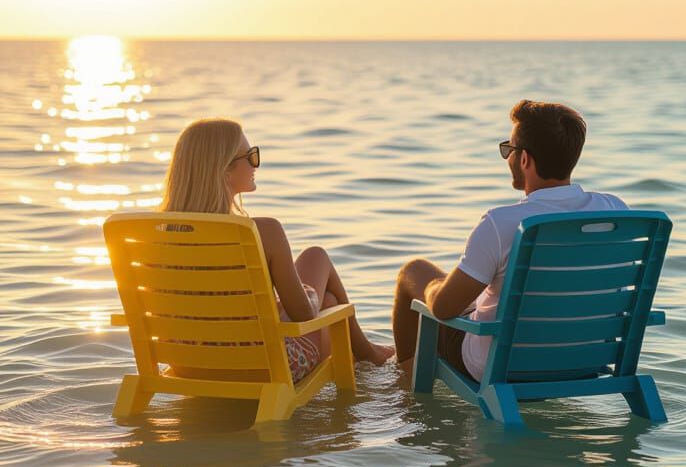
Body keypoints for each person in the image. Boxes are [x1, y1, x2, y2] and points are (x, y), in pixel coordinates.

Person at [392, 99, 627, 381]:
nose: (508, 158)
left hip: (502, 365)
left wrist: (433, 288)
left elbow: (444, 309)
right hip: (588, 360)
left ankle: (402, 383)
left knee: (414, 271)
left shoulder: (500, 223)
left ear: (524, 159)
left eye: (509, 150)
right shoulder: (615, 211)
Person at [161, 117, 394, 382]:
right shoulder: (263, 232)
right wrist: (310, 294)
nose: (255, 164)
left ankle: (367, 351)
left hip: (187, 364)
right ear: (225, 170)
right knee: (318, 266)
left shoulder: (155, 237)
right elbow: (303, 314)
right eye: (250, 157)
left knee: (328, 300)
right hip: (260, 368)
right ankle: (368, 354)